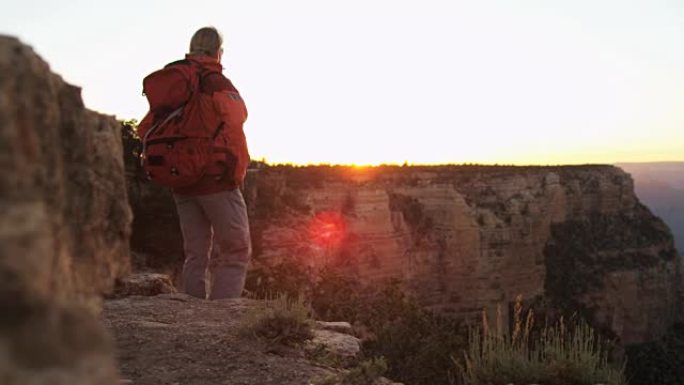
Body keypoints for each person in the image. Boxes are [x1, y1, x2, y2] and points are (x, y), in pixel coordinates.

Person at [163, 27, 251, 299]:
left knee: (195, 252)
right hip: (215, 178)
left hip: (181, 179)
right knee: (236, 250)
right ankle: (223, 318)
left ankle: (192, 310)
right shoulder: (216, 82)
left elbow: (147, 128)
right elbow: (238, 117)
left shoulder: (174, 82)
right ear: (218, 52)